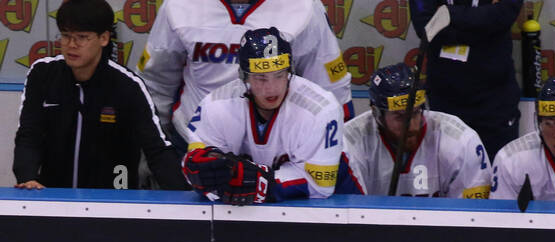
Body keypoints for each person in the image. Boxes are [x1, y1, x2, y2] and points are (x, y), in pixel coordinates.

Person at [13, 0, 185, 190]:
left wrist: (183, 198)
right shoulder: (43, 74)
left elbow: (157, 149)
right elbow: (29, 135)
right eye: (66, 36)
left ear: (103, 38)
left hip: (113, 200)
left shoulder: (127, 86)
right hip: (54, 196)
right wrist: (26, 176)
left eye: (81, 37)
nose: (71, 45)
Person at [139, 0, 354, 149]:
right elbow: (156, 79)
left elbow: (329, 87)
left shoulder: (303, 7)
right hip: (193, 141)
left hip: (278, 148)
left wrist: (336, 148)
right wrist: (154, 145)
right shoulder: (178, 6)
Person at [182, 27, 360, 204]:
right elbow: (199, 168)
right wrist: (203, 172)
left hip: (333, 204)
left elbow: (320, 186)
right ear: (244, 77)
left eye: (279, 75)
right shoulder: (215, 106)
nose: (271, 88)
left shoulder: (320, 109)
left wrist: (259, 182)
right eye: (261, 78)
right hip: (248, 207)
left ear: (290, 72)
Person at [343, 64, 491, 198]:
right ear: (377, 114)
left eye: (415, 112)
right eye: (400, 117)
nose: (412, 126)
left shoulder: (461, 140)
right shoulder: (350, 141)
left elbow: (472, 216)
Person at [408, 0, 523, 160]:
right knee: (446, 178)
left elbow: (504, 15)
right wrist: (481, 33)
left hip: (495, 101)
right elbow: (425, 25)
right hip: (445, 99)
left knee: (499, 176)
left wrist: (450, 13)